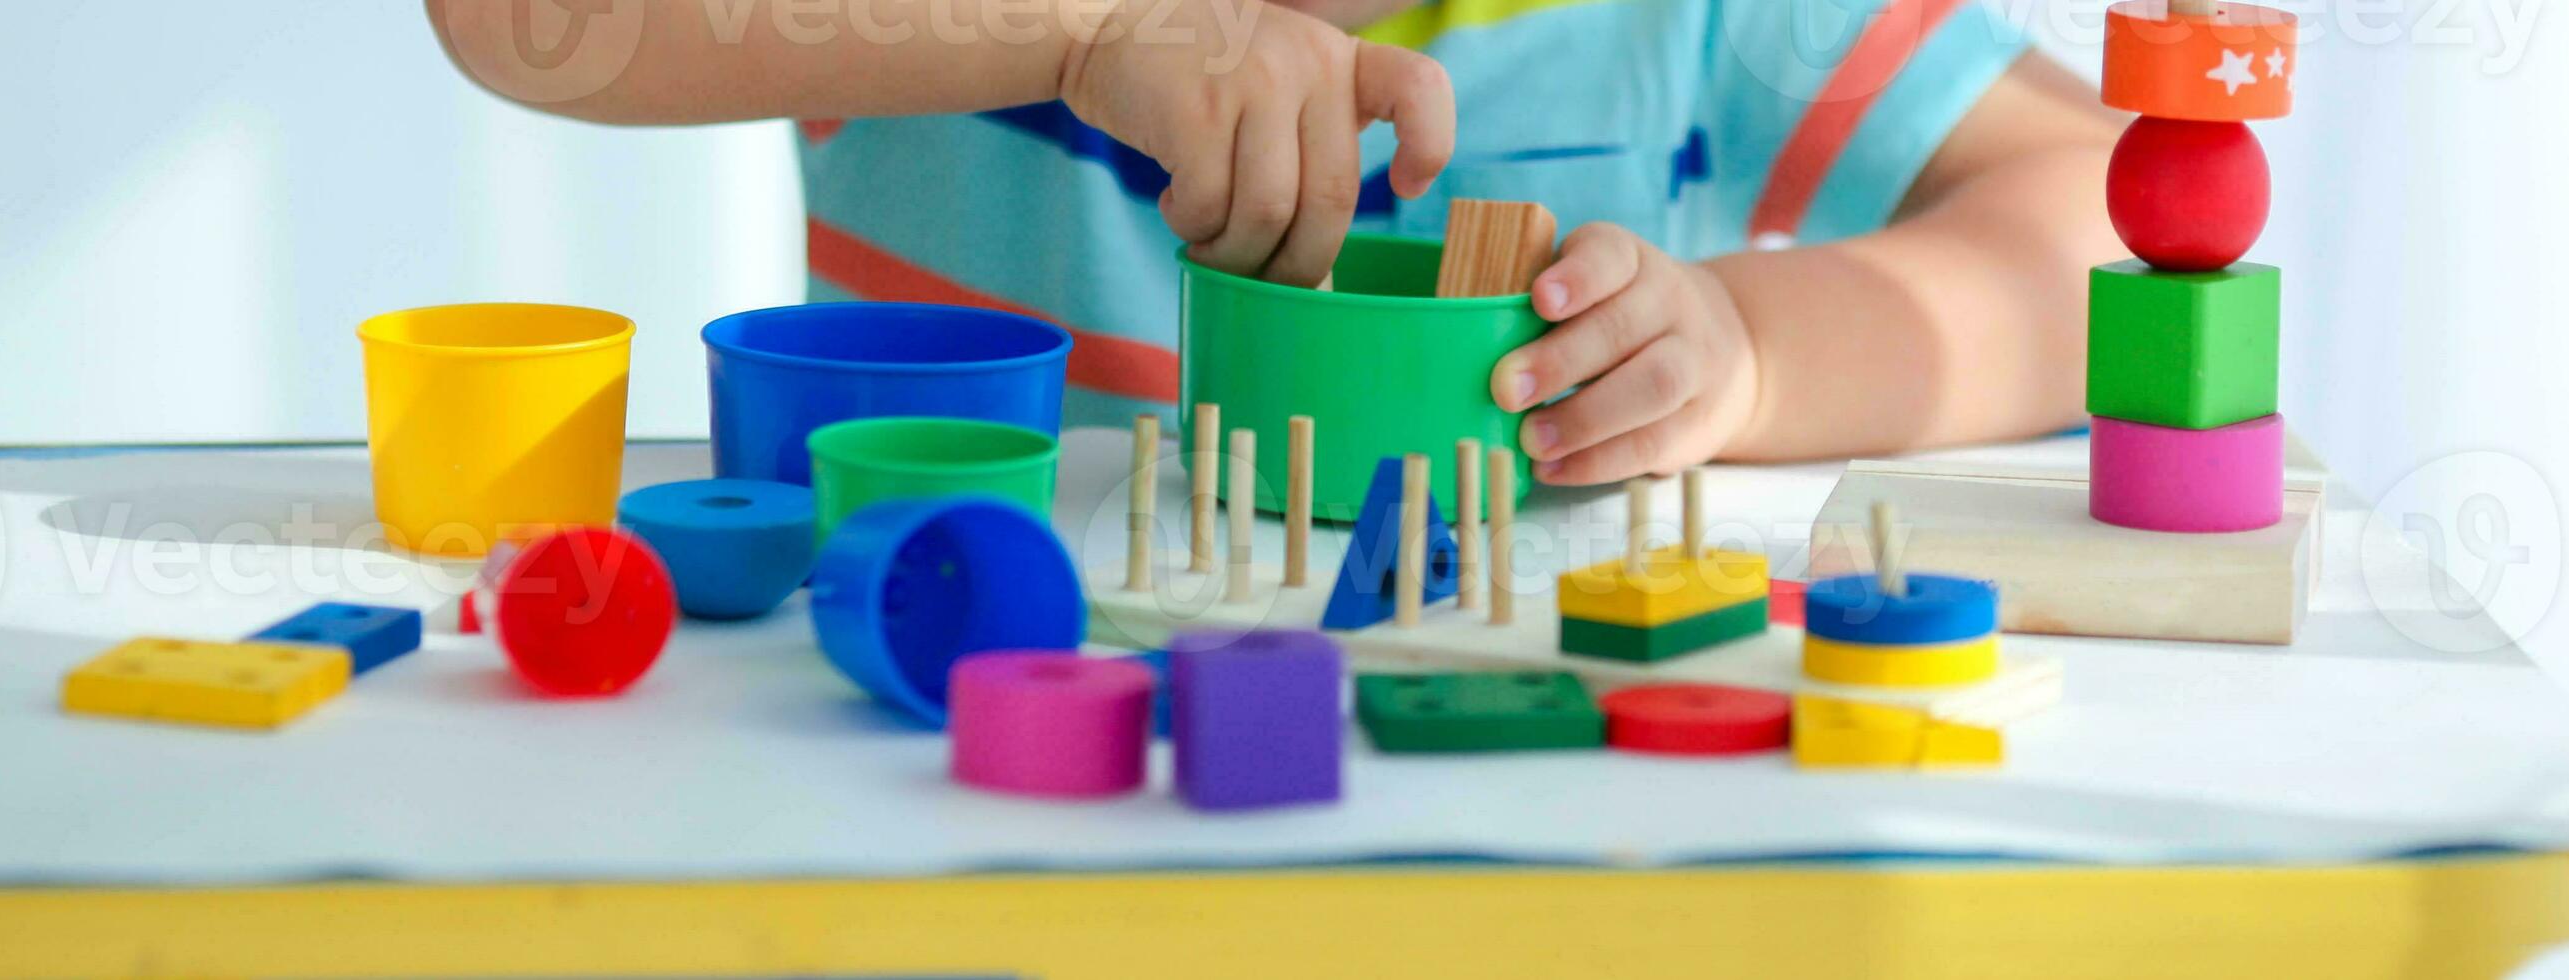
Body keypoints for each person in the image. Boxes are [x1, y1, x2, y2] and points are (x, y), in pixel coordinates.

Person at [426, 0, 2118, 484]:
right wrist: (1076, 35)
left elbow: (2105, 221)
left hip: (1514, 781)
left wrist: (1752, 354)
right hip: (959, 731)